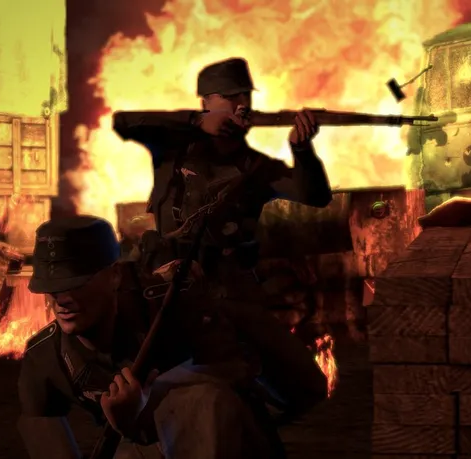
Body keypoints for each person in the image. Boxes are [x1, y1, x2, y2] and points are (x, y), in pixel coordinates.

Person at [16, 215, 328, 459]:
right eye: (51, 287)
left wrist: (147, 411)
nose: (61, 299)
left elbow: (295, 384)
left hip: (224, 439)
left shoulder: (175, 311)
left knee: (205, 402)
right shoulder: (46, 359)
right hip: (147, 446)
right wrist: (130, 426)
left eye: (76, 283)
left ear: (115, 276)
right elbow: (46, 439)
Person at [111, 57, 333, 279]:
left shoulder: (258, 166)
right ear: (205, 104)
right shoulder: (172, 148)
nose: (242, 104)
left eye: (246, 95)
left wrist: (302, 150)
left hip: (225, 283)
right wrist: (196, 121)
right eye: (230, 96)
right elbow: (122, 122)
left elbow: (316, 197)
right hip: (167, 280)